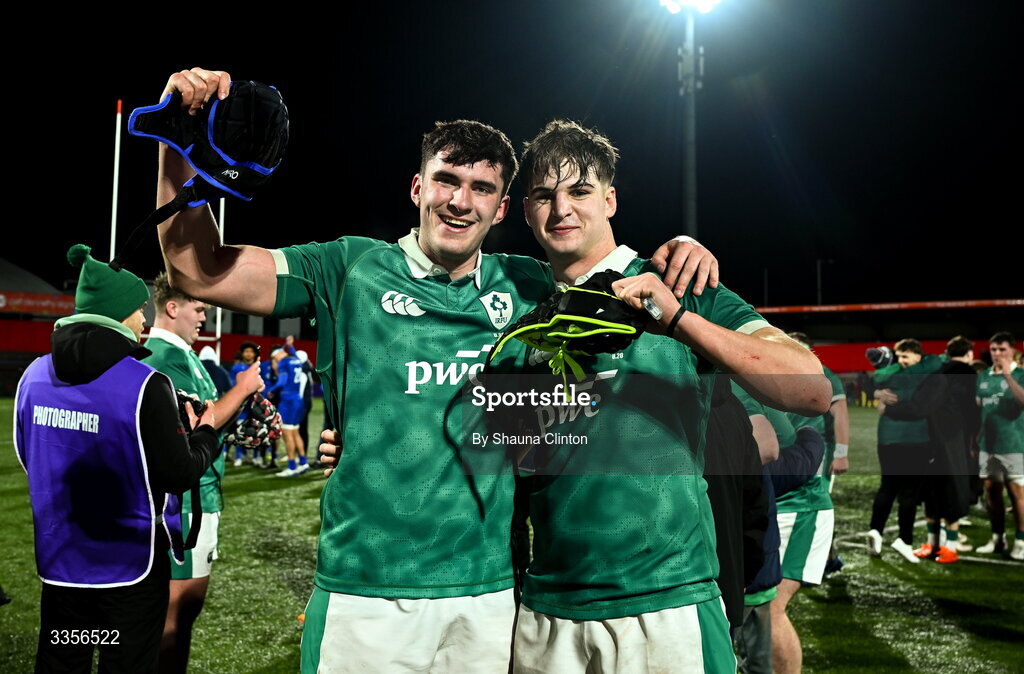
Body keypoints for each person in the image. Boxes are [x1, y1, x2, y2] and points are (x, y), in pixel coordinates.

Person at [152, 66, 720, 674]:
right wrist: (173, 144)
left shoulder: (530, 286)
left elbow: (609, 265)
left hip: (490, 595)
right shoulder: (348, 269)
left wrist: (683, 247)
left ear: (502, 209)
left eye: (480, 188)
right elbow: (197, 271)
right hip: (365, 589)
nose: (459, 200)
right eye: (446, 180)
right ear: (417, 188)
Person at [504, 120, 829, 673]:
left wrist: (676, 318)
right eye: (544, 195)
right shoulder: (512, 303)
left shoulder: (677, 283)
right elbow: (505, 453)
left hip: (668, 602)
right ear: (525, 210)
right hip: (547, 608)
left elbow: (811, 390)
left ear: (609, 199)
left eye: (579, 191)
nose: (561, 209)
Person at [14, 245, 221, 673]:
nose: (144, 319)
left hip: (61, 566)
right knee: (125, 664)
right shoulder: (145, 383)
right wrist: (206, 433)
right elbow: (178, 473)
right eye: (137, 309)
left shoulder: (32, 375)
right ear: (117, 314)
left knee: (62, 660)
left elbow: (28, 458)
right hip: (130, 570)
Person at [142, 272, 264, 673]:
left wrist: (242, 414)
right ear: (172, 307)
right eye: (198, 308)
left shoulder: (182, 353)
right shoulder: (163, 358)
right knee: (175, 615)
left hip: (198, 495)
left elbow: (206, 418)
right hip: (183, 504)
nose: (203, 318)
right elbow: (197, 425)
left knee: (181, 613)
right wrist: (243, 388)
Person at [728, 382, 825, 674]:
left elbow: (775, 459)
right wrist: (811, 440)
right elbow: (778, 459)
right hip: (746, 565)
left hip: (739, 566)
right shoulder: (736, 390)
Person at [866, 338, 941, 563]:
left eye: (905, 356)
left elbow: (876, 379)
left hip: (887, 439)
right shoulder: (926, 369)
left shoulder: (888, 374)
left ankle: (876, 531)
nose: (901, 361)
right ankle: (904, 541)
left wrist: (880, 396)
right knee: (908, 492)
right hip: (915, 440)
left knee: (887, 487)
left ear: (917, 356)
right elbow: (936, 361)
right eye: (899, 356)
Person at [975, 332, 1024, 559]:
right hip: (988, 445)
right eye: (994, 350)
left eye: (1002, 349)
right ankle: (997, 539)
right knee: (992, 492)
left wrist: (1007, 375)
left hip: (1015, 444)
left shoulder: (1021, 374)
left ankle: (1021, 543)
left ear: (1012, 350)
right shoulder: (983, 375)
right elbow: (979, 407)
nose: (997, 354)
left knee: (1017, 494)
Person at [267, 345, 310, 477]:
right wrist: (290, 347)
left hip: (288, 400)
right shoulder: (295, 360)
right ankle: (303, 463)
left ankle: (292, 466)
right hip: (297, 399)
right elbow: (295, 355)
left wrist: (271, 390)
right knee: (295, 432)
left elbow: (281, 381)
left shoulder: (283, 363)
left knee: (287, 434)